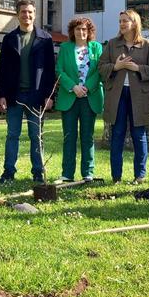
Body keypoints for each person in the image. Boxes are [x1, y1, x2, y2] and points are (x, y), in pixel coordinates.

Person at [99, 10, 149, 184]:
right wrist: (116, 66)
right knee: (117, 133)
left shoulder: (148, 45)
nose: (121, 24)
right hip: (117, 95)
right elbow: (101, 67)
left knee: (138, 134)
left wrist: (138, 69)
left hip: (140, 97)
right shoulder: (112, 44)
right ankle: (116, 177)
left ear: (134, 23)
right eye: (120, 21)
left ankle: (140, 176)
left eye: (125, 21)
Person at [0, 0, 56, 183]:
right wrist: (2, 95)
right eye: (23, 12)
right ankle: (8, 172)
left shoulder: (45, 39)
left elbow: (49, 70)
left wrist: (49, 95)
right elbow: (2, 70)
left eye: (30, 12)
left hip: (36, 95)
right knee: (12, 135)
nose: (27, 15)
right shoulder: (9, 39)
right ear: (17, 14)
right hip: (14, 95)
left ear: (35, 14)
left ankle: (38, 172)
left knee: (36, 136)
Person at [54, 17, 104, 183]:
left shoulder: (96, 47)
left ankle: (87, 172)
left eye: (84, 29)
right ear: (72, 32)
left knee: (87, 136)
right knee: (69, 136)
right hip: (70, 97)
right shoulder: (65, 47)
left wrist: (87, 87)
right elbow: (59, 69)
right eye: (78, 29)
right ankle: (67, 173)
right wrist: (73, 87)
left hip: (89, 97)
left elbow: (100, 70)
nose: (81, 32)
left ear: (89, 32)